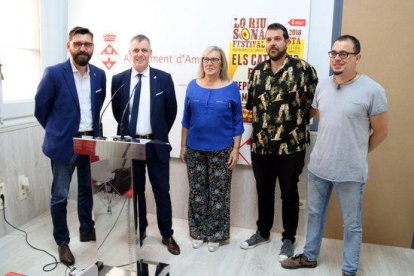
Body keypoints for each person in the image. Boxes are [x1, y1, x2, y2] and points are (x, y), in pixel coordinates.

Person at [281, 35, 388, 276]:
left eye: (344, 54)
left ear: (357, 58)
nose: (337, 58)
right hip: (320, 166)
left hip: (350, 172)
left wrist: (356, 151)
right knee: (315, 214)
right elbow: (324, 118)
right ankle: (309, 257)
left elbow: (381, 133)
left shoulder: (373, 90)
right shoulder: (323, 85)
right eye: (334, 53)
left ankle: (349, 270)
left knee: (352, 225)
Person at [241, 22, 318, 261]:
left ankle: (288, 239)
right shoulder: (257, 71)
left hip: (291, 147)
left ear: (287, 42)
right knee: (263, 191)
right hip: (262, 146)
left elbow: (315, 107)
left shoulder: (304, 70)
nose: (272, 43)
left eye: (277, 39)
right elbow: (252, 108)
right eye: (268, 39)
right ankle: (262, 232)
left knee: (289, 194)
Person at [34, 26, 106, 266]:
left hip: (90, 142)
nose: (82, 48)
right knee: (60, 194)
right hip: (64, 143)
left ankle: (87, 228)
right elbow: (41, 109)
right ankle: (62, 242)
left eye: (87, 44)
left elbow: (97, 108)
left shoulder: (99, 75)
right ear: (69, 46)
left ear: (93, 47)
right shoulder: (54, 74)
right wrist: (58, 131)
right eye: (78, 44)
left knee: (87, 189)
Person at [111, 34, 180, 255]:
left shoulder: (164, 78)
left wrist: (157, 133)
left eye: (144, 50)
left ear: (150, 53)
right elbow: (117, 112)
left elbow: (170, 112)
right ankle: (139, 230)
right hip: (131, 146)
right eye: (135, 50)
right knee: (135, 191)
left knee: (162, 191)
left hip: (156, 143)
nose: (139, 54)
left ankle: (167, 234)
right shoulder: (119, 79)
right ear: (129, 54)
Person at [180, 46, 244, 252]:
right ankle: (198, 231)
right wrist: (182, 146)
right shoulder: (192, 86)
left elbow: (238, 122)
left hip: (222, 149)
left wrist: (235, 150)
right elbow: (186, 119)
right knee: (197, 192)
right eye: (206, 59)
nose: (209, 63)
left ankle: (216, 234)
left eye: (215, 60)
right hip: (194, 148)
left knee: (219, 193)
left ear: (221, 63)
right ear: (202, 62)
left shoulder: (231, 87)